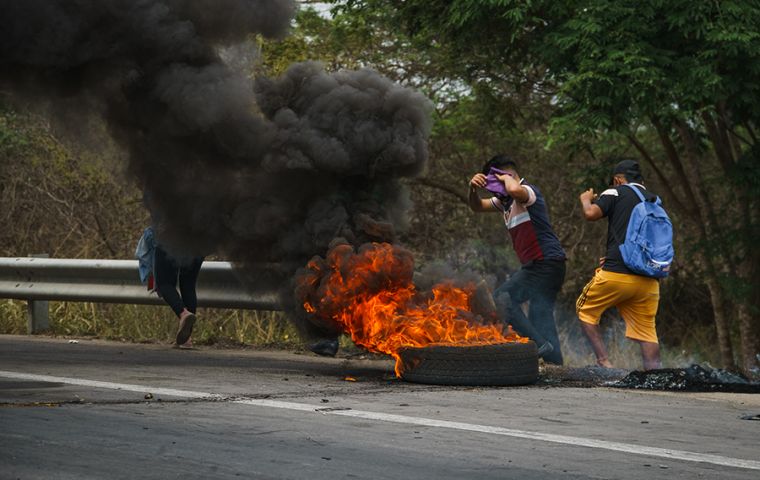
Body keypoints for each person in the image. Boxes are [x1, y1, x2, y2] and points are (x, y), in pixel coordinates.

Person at [469, 154, 566, 364]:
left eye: (494, 182)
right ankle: (555, 363)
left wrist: (506, 179)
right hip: (545, 265)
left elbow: (514, 189)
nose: (493, 190)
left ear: (508, 176)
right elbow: (477, 206)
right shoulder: (505, 202)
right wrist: (473, 188)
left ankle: (537, 346)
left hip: (545, 263)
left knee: (502, 298)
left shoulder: (527, 191)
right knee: (541, 317)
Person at [577, 159, 662, 370]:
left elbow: (591, 214)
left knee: (584, 310)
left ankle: (605, 363)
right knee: (647, 332)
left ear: (618, 179)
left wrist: (586, 200)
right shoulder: (654, 200)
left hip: (616, 275)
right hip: (649, 280)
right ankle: (656, 374)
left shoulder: (615, 192)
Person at [135, 227, 204, 347]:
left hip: (169, 237)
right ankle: (187, 340)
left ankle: (183, 313)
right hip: (199, 239)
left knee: (164, 283)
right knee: (188, 285)